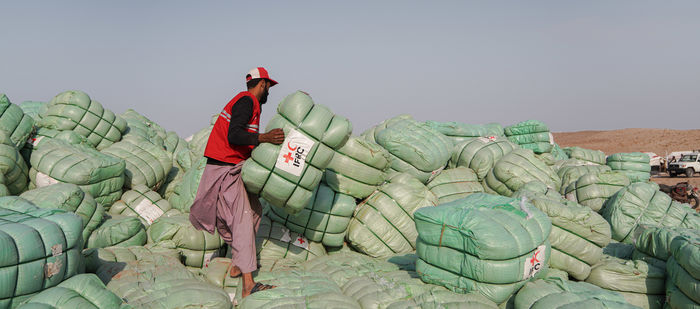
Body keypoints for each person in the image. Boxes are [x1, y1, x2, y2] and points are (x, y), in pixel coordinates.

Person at [189, 67, 285, 298]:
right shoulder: (247, 101)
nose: (269, 90)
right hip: (226, 167)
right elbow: (234, 135)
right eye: (268, 86)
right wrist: (265, 137)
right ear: (262, 84)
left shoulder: (249, 103)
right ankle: (248, 284)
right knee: (242, 217)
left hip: (230, 165)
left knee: (254, 211)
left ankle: (237, 263)